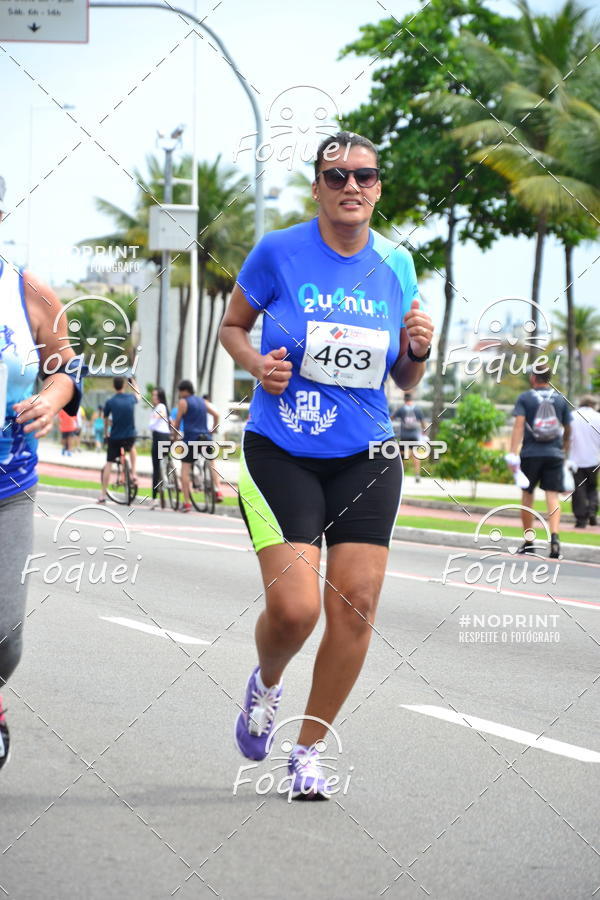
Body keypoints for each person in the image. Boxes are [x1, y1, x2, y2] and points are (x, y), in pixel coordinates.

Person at [219, 131, 434, 799]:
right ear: (316, 186)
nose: (351, 187)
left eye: (364, 176)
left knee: (356, 606)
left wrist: (418, 351)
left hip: (366, 455)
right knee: (294, 611)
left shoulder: (396, 263)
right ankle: (267, 683)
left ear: (378, 188)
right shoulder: (278, 251)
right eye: (336, 176)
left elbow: (404, 379)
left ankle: (308, 750)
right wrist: (257, 364)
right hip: (281, 449)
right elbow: (232, 326)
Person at [0, 174, 83, 771]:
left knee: (4, 638)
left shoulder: (26, 289)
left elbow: (65, 369)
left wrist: (52, 398)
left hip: (7, 478)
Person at [509, 367, 571, 559]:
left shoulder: (525, 398)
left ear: (533, 378)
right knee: (553, 496)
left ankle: (529, 542)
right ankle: (555, 539)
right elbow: (568, 427)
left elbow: (519, 425)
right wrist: (564, 449)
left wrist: (512, 452)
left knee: (527, 496)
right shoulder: (560, 399)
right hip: (554, 454)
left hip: (531, 454)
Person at [172, 380, 222, 511]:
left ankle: (187, 503)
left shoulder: (183, 402)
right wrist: (213, 429)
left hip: (190, 439)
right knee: (212, 462)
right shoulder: (203, 401)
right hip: (205, 437)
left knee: (185, 469)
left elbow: (177, 422)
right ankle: (218, 490)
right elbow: (216, 415)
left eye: (180, 392)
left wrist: (174, 437)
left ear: (184, 391)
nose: (179, 394)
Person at [99, 375, 138, 503]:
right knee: (132, 448)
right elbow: (138, 395)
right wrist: (134, 383)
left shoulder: (110, 402)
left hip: (115, 436)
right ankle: (134, 473)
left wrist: (106, 434)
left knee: (109, 463)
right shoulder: (131, 398)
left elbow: (105, 420)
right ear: (124, 385)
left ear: (113, 386)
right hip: (129, 435)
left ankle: (103, 495)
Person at [568, 395, 600, 528]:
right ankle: (592, 511)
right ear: (593, 405)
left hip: (576, 459)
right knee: (592, 487)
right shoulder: (598, 417)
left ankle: (581, 519)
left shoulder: (572, 416)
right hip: (594, 459)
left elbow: (566, 436)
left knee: (578, 488)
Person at [148, 387, 172, 509]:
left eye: (155, 395)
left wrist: (158, 416)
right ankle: (168, 478)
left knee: (156, 469)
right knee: (165, 460)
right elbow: (170, 420)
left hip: (159, 438)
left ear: (160, 397)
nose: (153, 397)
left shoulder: (160, 406)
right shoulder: (163, 407)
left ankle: (154, 498)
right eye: (153, 395)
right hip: (166, 437)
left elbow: (162, 414)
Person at [394, 391, 426, 481]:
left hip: (404, 435)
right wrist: (424, 432)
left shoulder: (401, 409)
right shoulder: (417, 409)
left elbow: (391, 418)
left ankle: (401, 474)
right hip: (414, 435)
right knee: (415, 455)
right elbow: (423, 423)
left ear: (404, 399)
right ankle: (417, 474)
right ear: (411, 399)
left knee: (402, 455)